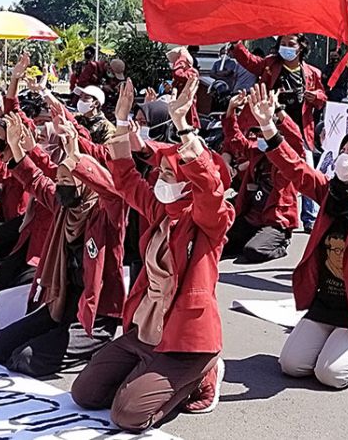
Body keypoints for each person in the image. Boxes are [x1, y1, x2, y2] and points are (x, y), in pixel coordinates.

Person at [71, 78, 234, 431]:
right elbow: (127, 180)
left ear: (188, 182)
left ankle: (203, 375)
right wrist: (121, 122)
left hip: (184, 342)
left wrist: (185, 128)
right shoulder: (160, 210)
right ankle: (149, 376)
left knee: (127, 416)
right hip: (145, 330)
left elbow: (210, 189)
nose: (158, 179)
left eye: (166, 174)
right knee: (85, 394)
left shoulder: (209, 221)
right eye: (159, 172)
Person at [247, 84, 348, 388]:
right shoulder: (329, 192)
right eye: (344, 152)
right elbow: (296, 169)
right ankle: (339, 343)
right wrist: (269, 126)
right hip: (329, 300)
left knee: (331, 375)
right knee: (292, 365)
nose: (346, 158)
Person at [0, 112, 125, 377]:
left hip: (94, 316)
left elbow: (111, 190)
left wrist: (75, 153)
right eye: (59, 179)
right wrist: (16, 147)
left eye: (69, 180)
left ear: (86, 183)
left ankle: (96, 347)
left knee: (25, 360)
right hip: (61, 305)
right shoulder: (63, 208)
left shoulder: (106, 214)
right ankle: (57, 338)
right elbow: (35, 179)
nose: (61, 184)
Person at [230, 35, 327, 232]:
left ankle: (309, 217)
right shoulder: (270, 64)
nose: (286, 48)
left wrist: (315, 96)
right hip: (269, 126)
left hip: (298, 130)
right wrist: (236, 43)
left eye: (291, 44)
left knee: (305, 170)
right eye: (282, 44)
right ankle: (262, 211)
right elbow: (249, 61)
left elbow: (323, 97)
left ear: (300, 48)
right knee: (265, 167)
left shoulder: (312, 73)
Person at [222, 91, 300, 263]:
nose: (260, 137)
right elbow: (234, 139)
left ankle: (281, 243)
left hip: (275, 220)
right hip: (253, 217)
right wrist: (231, 110)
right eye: (256, 134)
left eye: (263, 133)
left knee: (253, 251)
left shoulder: (288, 159)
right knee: (220, 243)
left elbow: (296, 139)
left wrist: (278, 110)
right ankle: (245, 240)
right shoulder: (256, 152)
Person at [166, 46, 200, 128]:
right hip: (177, 109)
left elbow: (178, 74)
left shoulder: (192, 72)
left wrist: (182, 58)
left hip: (188, 112)